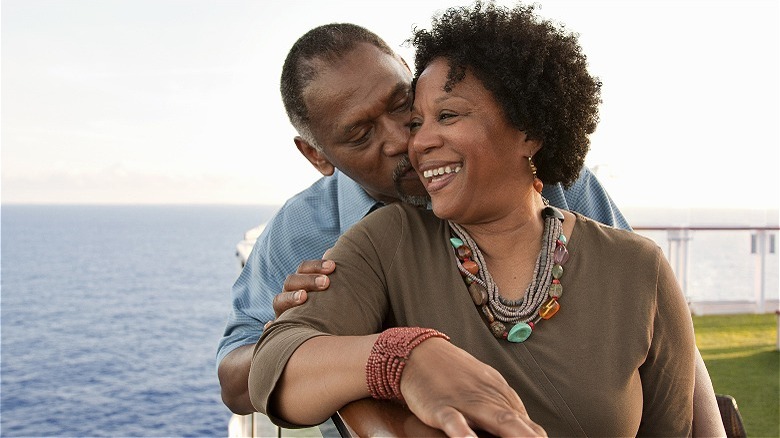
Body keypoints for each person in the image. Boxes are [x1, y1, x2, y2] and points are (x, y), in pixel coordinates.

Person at [217, 10, 725, 438]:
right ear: (316, 155)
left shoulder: (561, 186)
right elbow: (245, 374)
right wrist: (327, 340)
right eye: (360, 133)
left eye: (405, 108)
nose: (405, 141)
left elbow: (648, 319)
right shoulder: (327, 236)